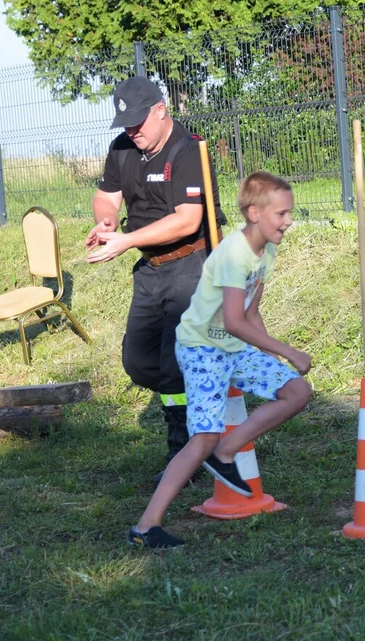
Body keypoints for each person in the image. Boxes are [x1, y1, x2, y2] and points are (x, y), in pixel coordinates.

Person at [128, 171, 312, 549]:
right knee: (203, 437)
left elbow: (249, 313)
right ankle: (146, 527)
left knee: (296, 391)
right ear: (254, 213)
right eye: (282, 214)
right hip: (202, 348)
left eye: (289, 213)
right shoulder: (233, 253)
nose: (289, 221)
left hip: (234, 345)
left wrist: (269, 360)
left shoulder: (267, 252)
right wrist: (287, 351)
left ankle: (225, 453)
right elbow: (231, 319)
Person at [86, 76, 224, 484]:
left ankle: (184, 453)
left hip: (191, 265)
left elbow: (188, 220)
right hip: (149, 269)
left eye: (138, 123)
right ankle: (205, 404)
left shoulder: (188, 150)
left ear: (160, 110)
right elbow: (106, 195)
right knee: (139, 362)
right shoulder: (123, 147)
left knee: (172, 365)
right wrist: (106, 219)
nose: (132, 131)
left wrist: (125, 240)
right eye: (126, 124)